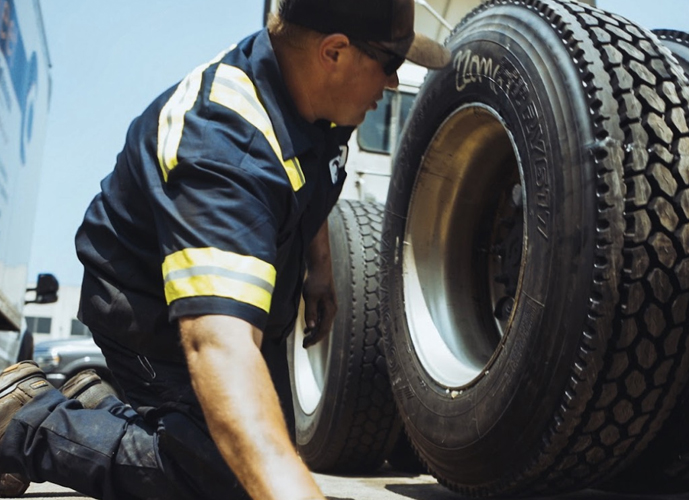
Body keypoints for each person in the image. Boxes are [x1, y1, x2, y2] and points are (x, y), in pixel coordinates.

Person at [0, 0, 450, 498]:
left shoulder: (323, 100)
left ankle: (93, 409)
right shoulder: (221, 145)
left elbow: (315, 174)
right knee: (230, 476)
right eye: (390, 65)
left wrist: (319, 268)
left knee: (265, 449)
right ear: (335, 52)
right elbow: (219, 349)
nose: (393, 84)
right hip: (151, 308)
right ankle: (23, 417)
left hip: (241, 306)